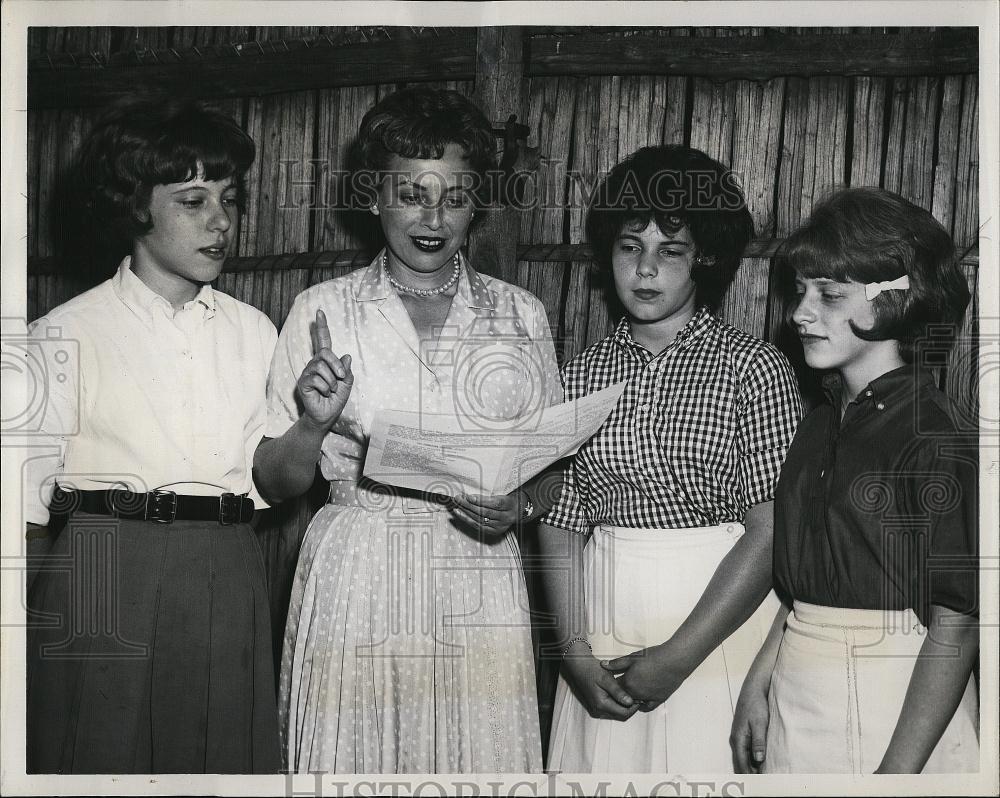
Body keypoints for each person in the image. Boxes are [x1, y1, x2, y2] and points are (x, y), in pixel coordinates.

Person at [253, 86, 562, 774]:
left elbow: (553, 463)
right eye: (411, 193)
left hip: (476, 566)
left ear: (477, 202)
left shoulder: (520, 315)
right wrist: (312, 422)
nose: (432, 217)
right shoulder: (321, 309)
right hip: (357, 569)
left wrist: (522, 505)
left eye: (453, 197)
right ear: (372, 197)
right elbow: (275, 483)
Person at [24, 98, 281, 773]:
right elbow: (17, 515)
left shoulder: (254, 332)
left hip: (227, 569)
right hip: (104, 568)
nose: (221, 220)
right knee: (94, 758)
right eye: (193, 200)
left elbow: (275, 475)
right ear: (136, 205)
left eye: (229, 198)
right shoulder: (62, 334)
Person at [538, 145, 802, 773]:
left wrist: (680, 656)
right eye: (631, 248)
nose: (646, 270)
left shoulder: (752, 366)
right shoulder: (582, 374)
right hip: (601, 623)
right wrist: (573, 652)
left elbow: (770, 533)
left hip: (715, 625)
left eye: (671, 251)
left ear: (704, 258)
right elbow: (560, 519)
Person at [730, 187, 979, 774]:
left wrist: (897, 774)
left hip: (894, 706)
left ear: (898, 300)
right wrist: (760, 683)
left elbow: (958, 622)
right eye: (801, 291)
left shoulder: (936, 436)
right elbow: (802, 595)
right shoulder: (817, 425)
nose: (800, 313)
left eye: (829, 295)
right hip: (799, 690)